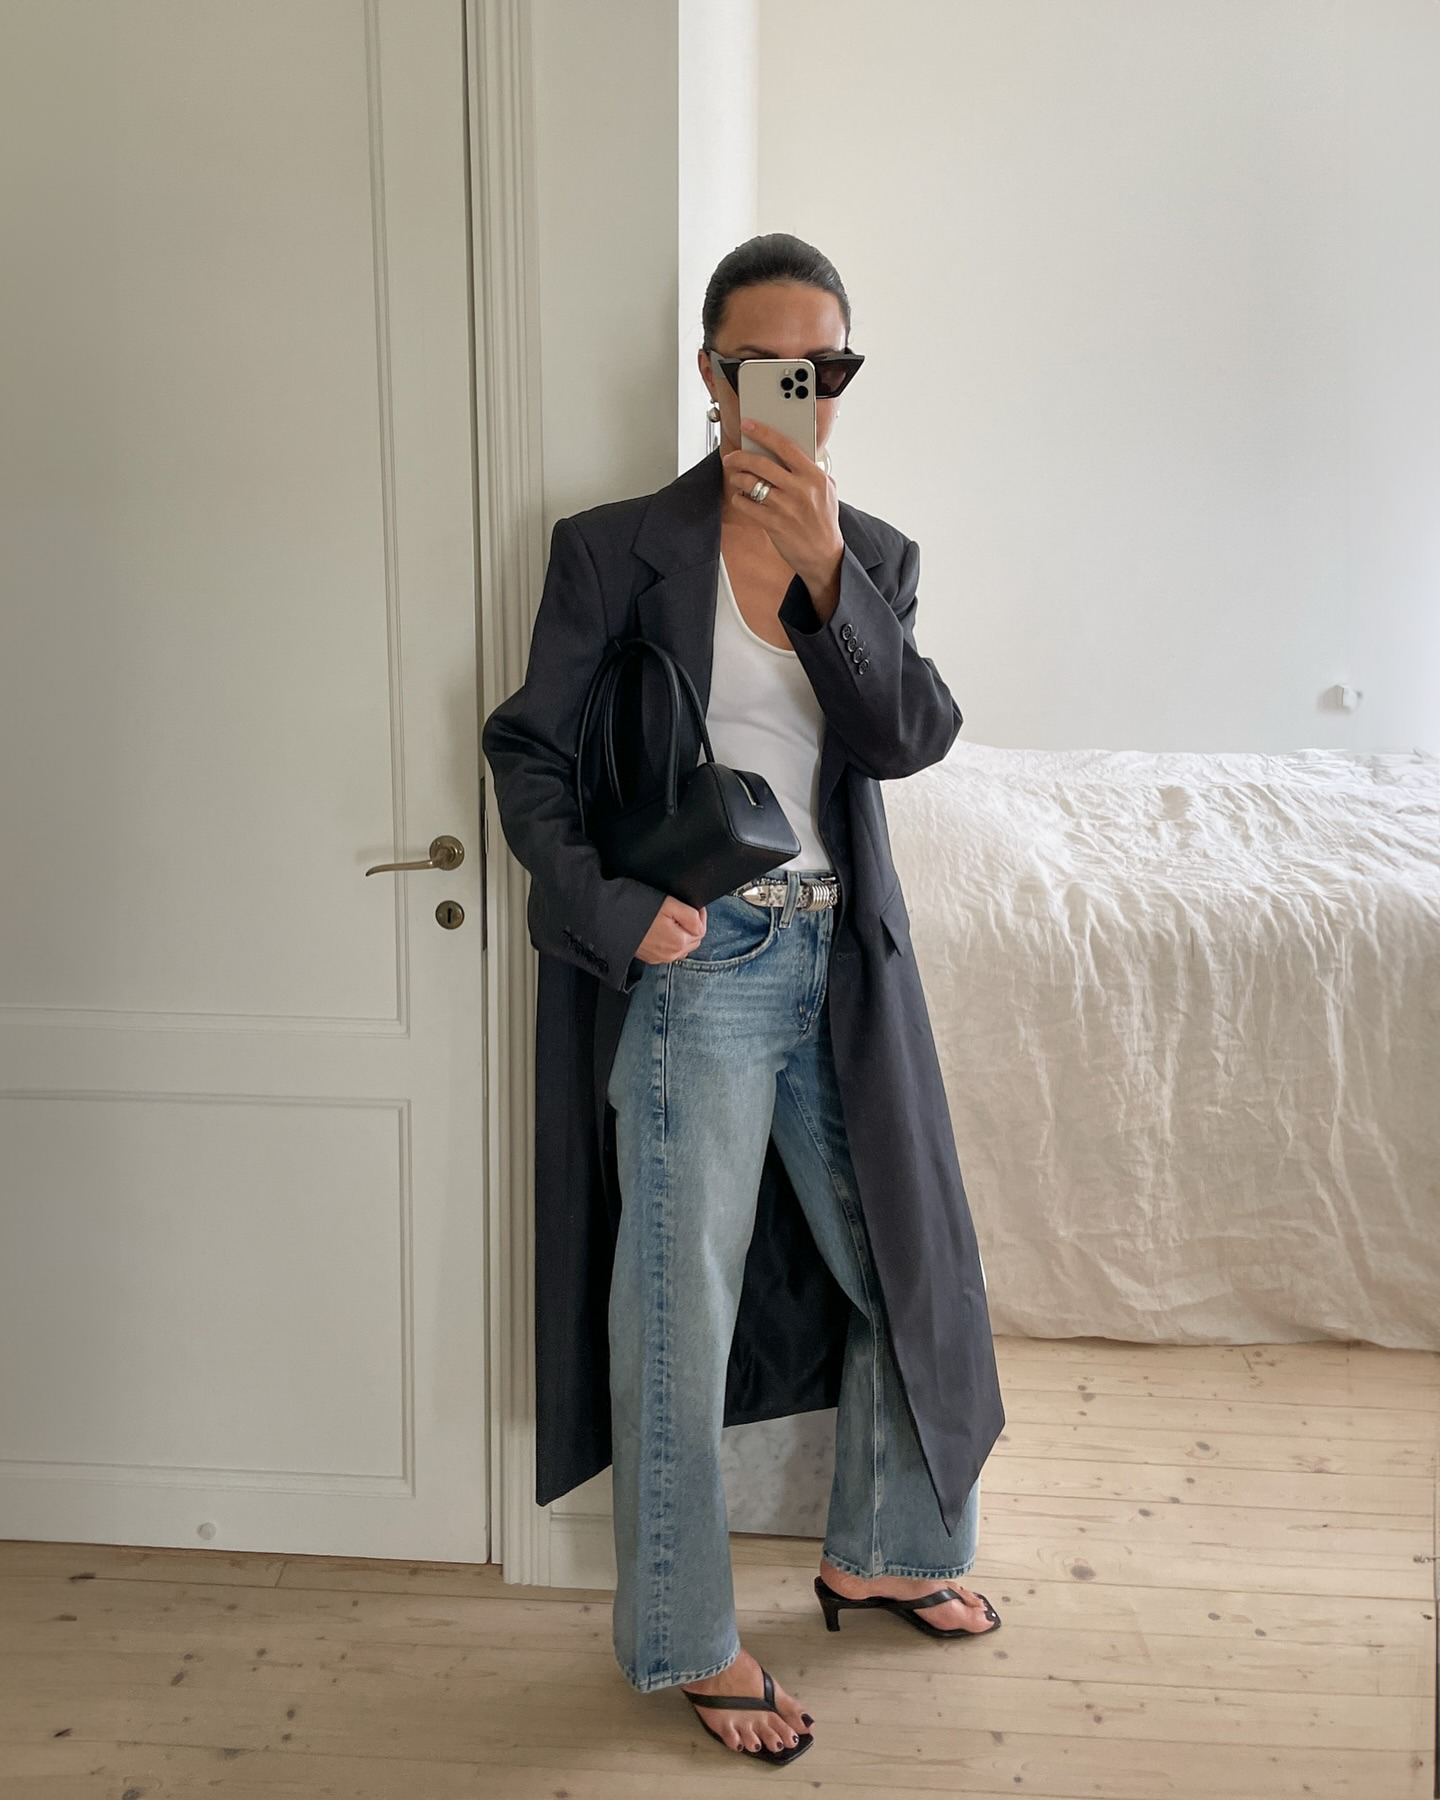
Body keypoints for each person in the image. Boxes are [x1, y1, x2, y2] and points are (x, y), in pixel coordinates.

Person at [482, 234, 1004, 1767]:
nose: (793, 392)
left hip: (840, 964)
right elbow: (529, 752)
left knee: (902, 1260)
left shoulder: (878, 555)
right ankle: (690, 1641)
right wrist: (614, 910)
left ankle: (887, 1547)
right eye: (760, 364)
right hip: (696, 964)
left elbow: (909, 738)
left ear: (840, 379)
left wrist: (830, 572)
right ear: (710, 375)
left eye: (820, 368)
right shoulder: (614, 548)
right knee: (677, 1311)